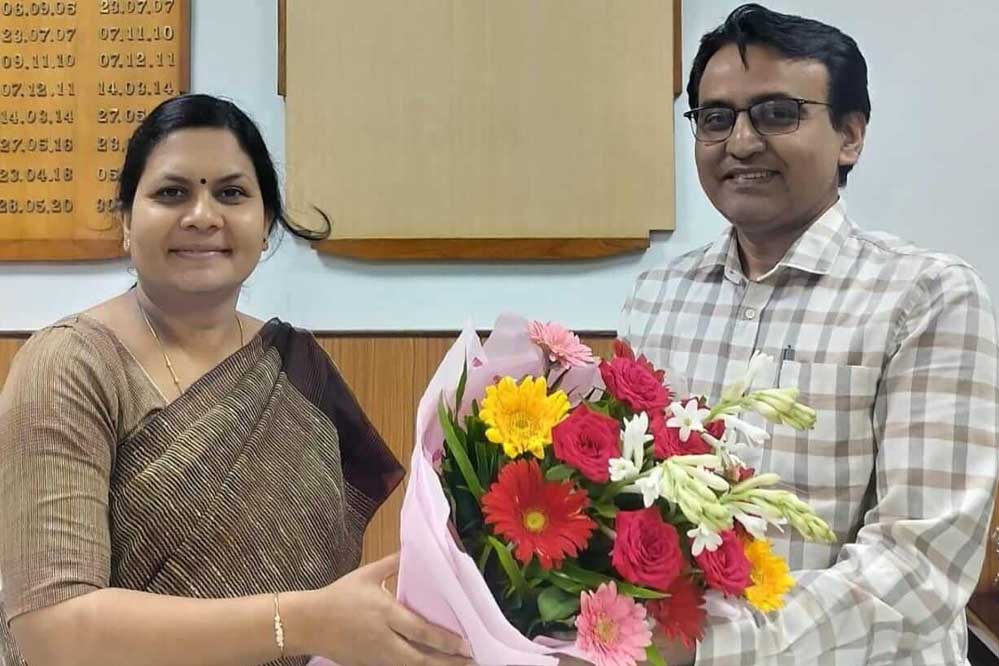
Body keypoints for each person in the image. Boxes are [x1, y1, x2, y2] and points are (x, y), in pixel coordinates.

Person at [0, 94, 474, 666]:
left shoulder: (296, 370)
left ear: (266, 223)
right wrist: (306, 622)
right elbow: (52, 633)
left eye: (230, 193)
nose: (203, 216)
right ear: (126, 221)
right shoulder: (70, 366)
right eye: (171, 193)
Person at [620, 4, 999, 664]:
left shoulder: (927, 296)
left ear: (850, 135)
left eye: (776, 113)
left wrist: (705, 647)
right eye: (716, 118)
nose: (740, 142)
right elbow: (628, 503)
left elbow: (917, 570)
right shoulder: (657, 296)